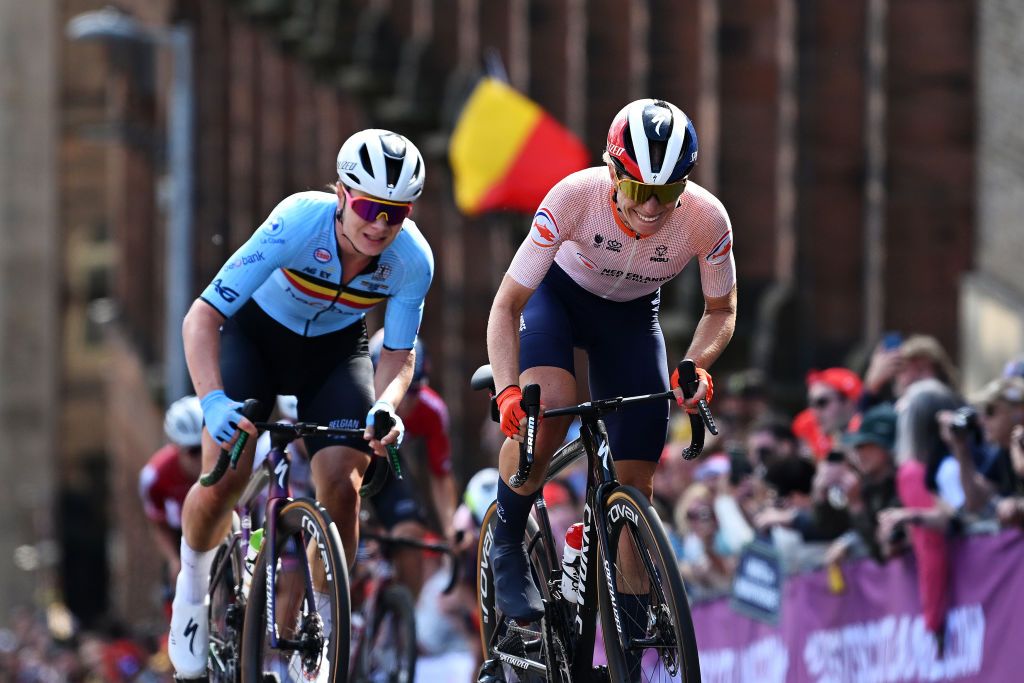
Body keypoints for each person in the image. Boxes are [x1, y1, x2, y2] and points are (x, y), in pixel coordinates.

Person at [168, 128, 433, 679]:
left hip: (333, 356)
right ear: (341, 196)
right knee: (225, 475)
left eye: (396, 213)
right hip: (256, 342)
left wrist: (386, 405)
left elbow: (400, 355)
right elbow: (202, 318)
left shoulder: (413, 262)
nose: (380, 224)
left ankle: (325, 618)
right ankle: (192, 587)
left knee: (344, 480)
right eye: (368, 207)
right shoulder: (295, 222)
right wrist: (213, 401)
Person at [485, 96, 737, 654]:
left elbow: (721, 310)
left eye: (667, 192)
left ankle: (629, 634)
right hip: (559, 301)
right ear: (613, 171)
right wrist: (507, 391)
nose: (653, 207)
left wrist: (695, 363)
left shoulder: (705, 217)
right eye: (639, 189)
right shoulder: (573, 197)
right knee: (549, 407)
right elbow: (506, 306)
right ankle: (506, 538)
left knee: (635, 488)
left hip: (631, 319)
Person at [365, 330, 457, 597]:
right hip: (351, 460)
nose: (404, 401)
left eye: (413, 391)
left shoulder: (431, 411)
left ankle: (405, 623)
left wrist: (450, 528)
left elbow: (440, 475)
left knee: (411, 533)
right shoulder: (356, 400)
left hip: (386, 465)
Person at [138, 395, 204, 605]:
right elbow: (158, 524)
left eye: (206, 447)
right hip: (181, 536)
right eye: (194, 451)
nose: (202, 458)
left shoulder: (228, 460)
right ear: (177, 447)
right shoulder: (155, 476)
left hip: (224, 527)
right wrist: (173, 559)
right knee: (175, 581)